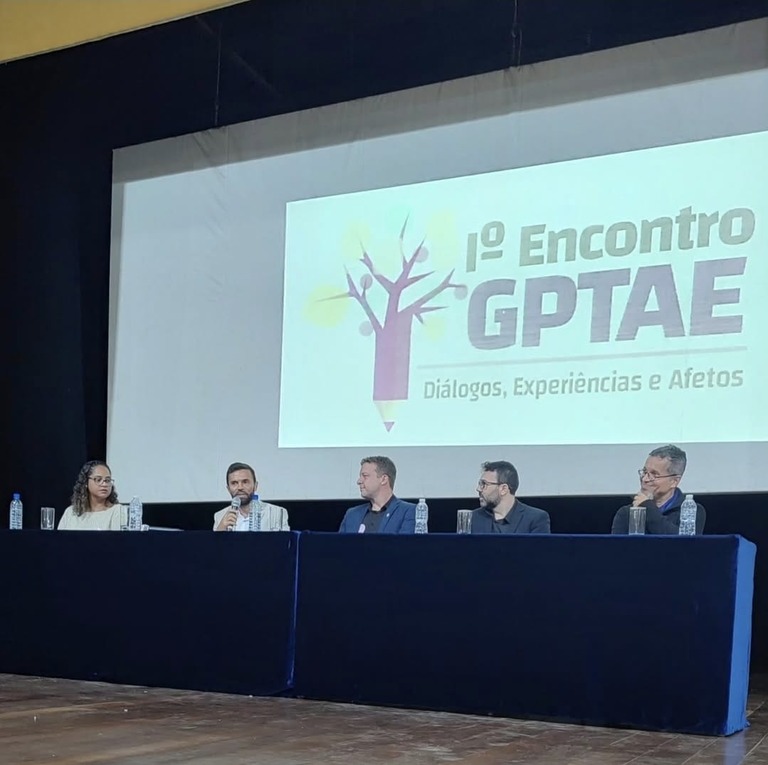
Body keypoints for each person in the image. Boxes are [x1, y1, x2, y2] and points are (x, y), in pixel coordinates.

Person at [611, 444, 706, 534]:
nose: (645, 479)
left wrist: (648, 508)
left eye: (654, 474)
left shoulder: (691, 512)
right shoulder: (626, 513)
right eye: (644, 472)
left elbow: (681, 542)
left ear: (674, 481)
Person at [338, 456, 415, 533]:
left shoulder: (408, 512)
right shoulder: (352, 515)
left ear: (383, 479)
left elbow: (406, 540)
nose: (359, 481)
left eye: (365, 476)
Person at [471, 460, 551, 533]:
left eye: (484, 484)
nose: (478, 489)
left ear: (503, 489)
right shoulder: (473, 518)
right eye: (480, 484)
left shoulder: (535, 519)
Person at [213, 462, 290, 531]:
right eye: (234, 483)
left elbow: (285, 542)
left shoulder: (277, 513)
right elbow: (214, 543)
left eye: (245, 482)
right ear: (228, 489)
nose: (240, 487)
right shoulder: (220, 516)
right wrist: (221, 529)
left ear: (255, 486)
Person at [58, 460, 125, 531]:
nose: (104, 484)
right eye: (98, 480)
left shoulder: (118, 511)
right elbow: (59, 537)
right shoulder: (70, 512)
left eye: (107, 480)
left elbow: (119, 537)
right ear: (86, 482)